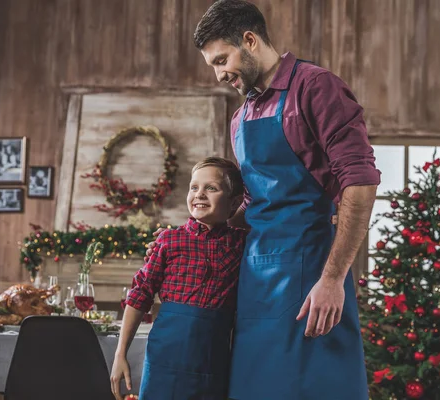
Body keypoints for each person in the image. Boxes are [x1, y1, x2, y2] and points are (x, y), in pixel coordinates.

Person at [147, 1, 381, 398]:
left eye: (222, 59)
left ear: (250, 40)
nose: (220, 74)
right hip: (254, 280)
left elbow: (359, 182)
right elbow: (254, 201)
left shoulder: (316, 86)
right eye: (213, 65)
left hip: (310, 274)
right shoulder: (240, 118)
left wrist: (332, 279)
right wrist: (191, 237)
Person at [110, 157, 248, 400]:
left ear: (235, 202)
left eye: (211, 188)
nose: (200, 194)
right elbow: (140, 294)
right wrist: (120, 354)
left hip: (212, 361)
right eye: (194, 187)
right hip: (164, 357)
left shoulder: (241, 243)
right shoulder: (168, 240)